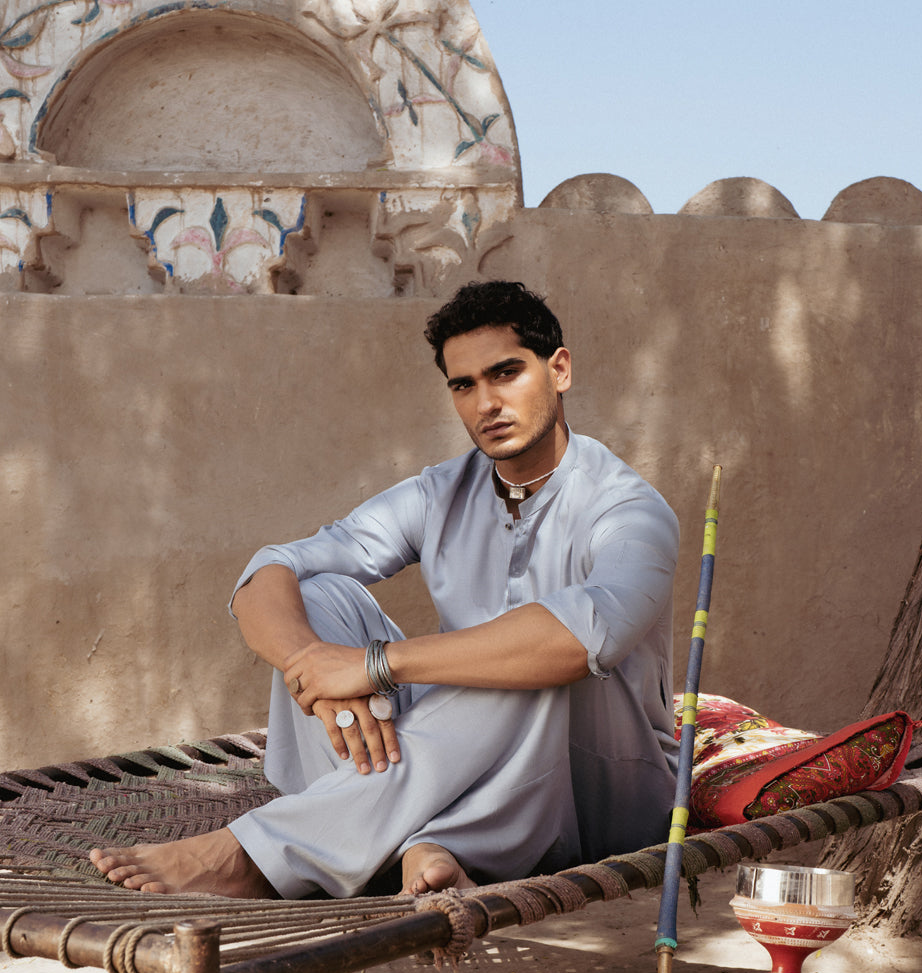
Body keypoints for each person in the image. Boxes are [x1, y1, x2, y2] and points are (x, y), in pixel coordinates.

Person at [89, 281, 680, 898]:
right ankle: (423, 845)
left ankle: (255, 854)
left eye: (506, 374)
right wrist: (314, 669)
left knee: (531, 659)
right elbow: (270, 570)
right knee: (317, 595)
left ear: (558, 370)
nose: (486, 403)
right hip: (457, 769)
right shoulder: (441, 492)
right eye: (464, 385)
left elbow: (584, 636)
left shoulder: (628, 509)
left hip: (601, 794)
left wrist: (373, 665)